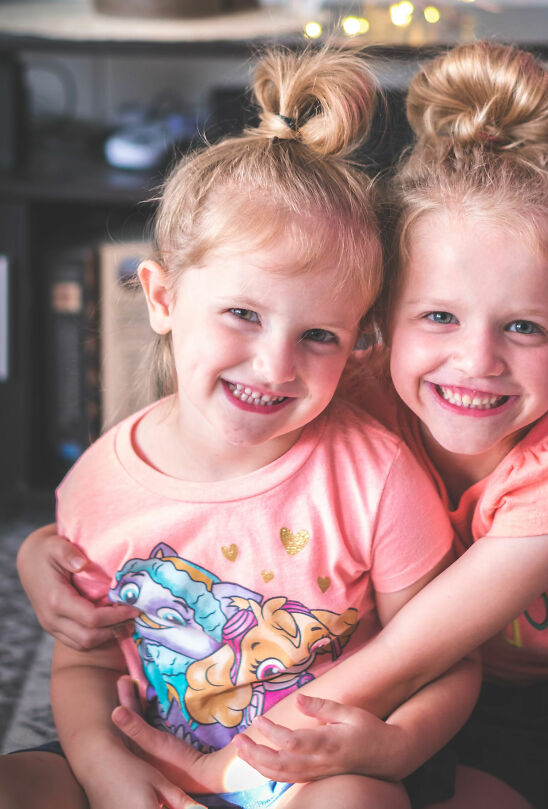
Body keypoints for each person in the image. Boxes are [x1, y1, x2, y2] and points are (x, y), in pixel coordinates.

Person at [16, 40, 548, 809]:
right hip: (489, 708)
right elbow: (161, 504)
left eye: (526, 329)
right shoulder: (341, 386)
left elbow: (414, 651)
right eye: (438, 316)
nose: (475, 362)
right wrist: (44, 550)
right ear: (380, 325)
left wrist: (226, 772)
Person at [0, 46, 481, 809]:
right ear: (160, 297)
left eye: (319, 336)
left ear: (358, 340)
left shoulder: (377, 476)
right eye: (243, 314)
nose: (274, 364)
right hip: (148, 759)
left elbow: (443, 659)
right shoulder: (98, 483)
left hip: (314, 777)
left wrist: (398, 743)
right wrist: (104, 770)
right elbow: (82, 667)